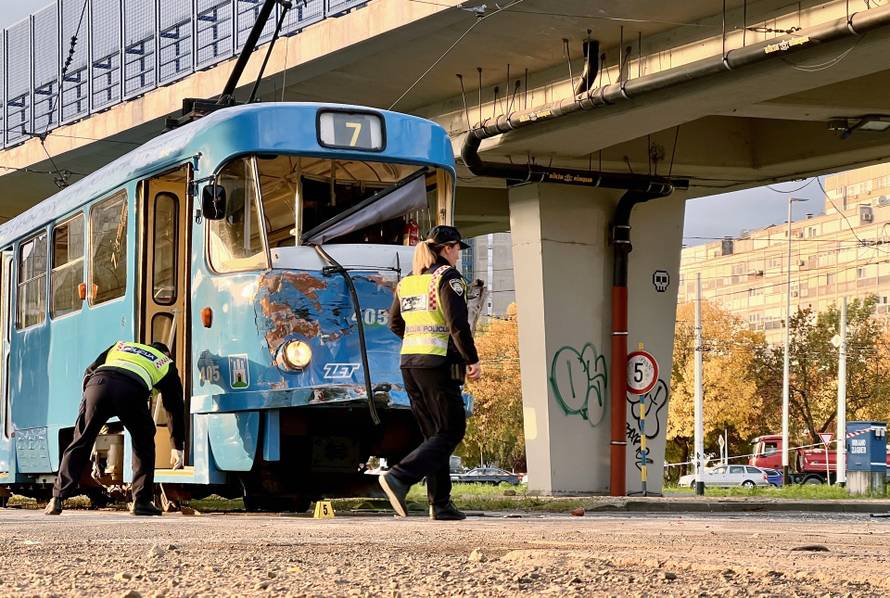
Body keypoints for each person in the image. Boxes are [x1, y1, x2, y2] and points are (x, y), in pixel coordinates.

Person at [380, 225, 482, 521]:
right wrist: (471, 359)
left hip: (410, 364)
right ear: (447, 248)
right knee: (452, 430)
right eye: (457, 249)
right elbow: (457, 324)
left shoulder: (409, 281)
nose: (458, 255)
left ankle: (440, 503)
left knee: (434, 436)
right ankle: (399, 477)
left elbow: (394, 323)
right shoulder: (448, 278)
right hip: (437, 365)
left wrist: (417, 342)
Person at [44, 341, 186, 516]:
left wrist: (86, 405)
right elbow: (174, 407)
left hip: (98, 385)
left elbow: (90, 370)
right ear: (167, 354)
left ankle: (57, 498)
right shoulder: (165, 362)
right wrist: (176, 446)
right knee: (143, 442)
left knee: (81, 441)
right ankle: (141, 502)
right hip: (131, 391)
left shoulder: (121, 346)